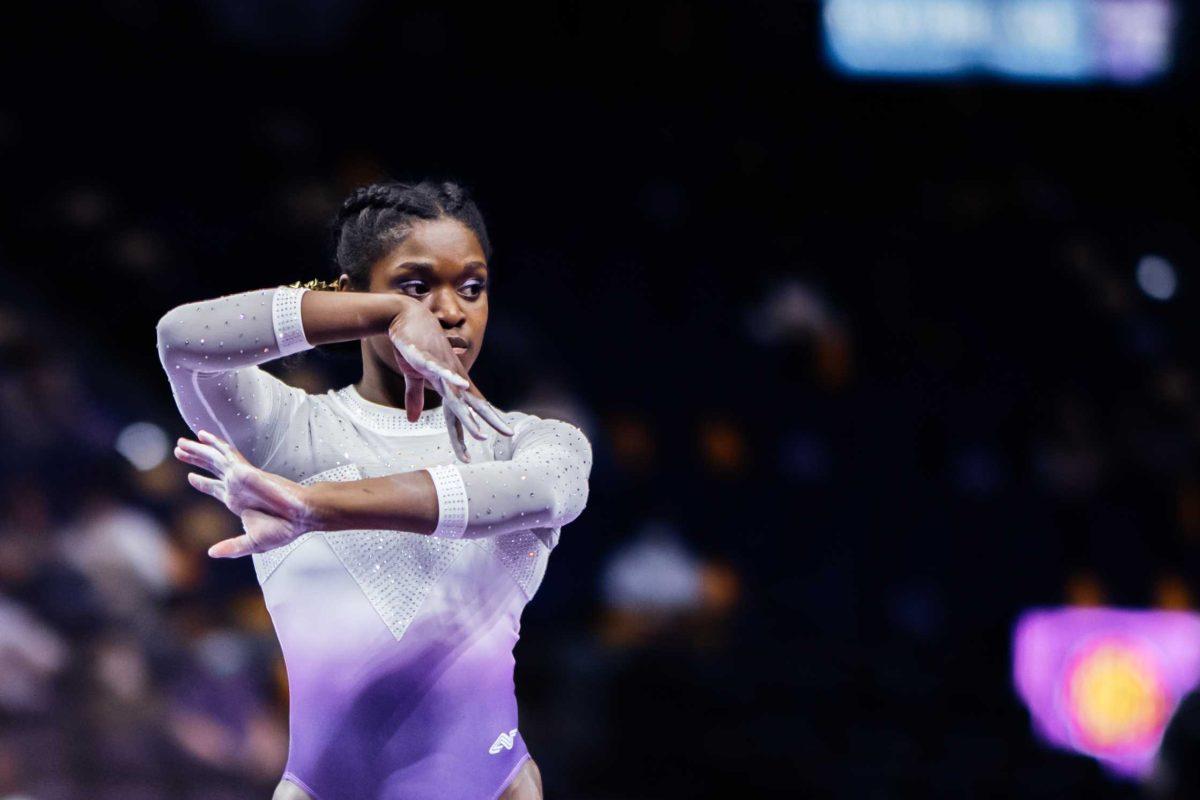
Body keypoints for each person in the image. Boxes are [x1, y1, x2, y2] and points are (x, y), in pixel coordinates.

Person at [155, 180, 592, 800]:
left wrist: (313, 508)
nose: (449, 311)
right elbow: (181, 339)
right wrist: (385, 315)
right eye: (416, 286)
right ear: (353, 292)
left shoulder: (531, 441)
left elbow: (547, 492)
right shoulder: (291, 432)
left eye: (472, 286)